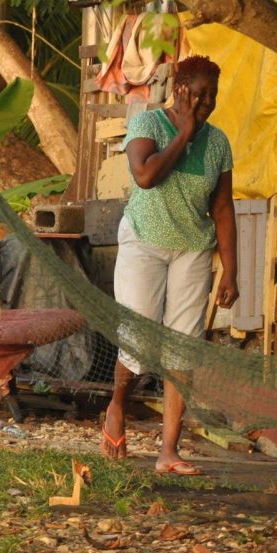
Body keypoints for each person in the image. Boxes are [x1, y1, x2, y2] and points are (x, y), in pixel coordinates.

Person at [101, 55, 237, 474]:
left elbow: (223, 207)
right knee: (140, 338)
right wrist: (184, 134)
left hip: (192, 248)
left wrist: (231, 269)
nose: (207, 102)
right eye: (199, 93)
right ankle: (116, 406)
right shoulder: (148, 126)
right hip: (144, 241)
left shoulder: (218, 143)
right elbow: (145, 176)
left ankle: (168, 452)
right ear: (179, 90)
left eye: (212, 95)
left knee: (183, 346)